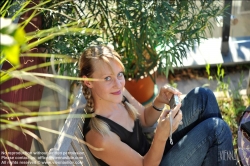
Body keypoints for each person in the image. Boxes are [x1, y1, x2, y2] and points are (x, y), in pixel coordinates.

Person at [79, 45, 236, 166]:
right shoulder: (99, 136)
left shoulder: (118, 93)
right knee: (216, 129)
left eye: (120, 74)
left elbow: (146, 119)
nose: (118, 83)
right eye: (107, 78)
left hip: (156, 154)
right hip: (150, 162)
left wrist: (159, 100)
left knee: (202, 96)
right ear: (88, 82)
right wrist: (160, 135)